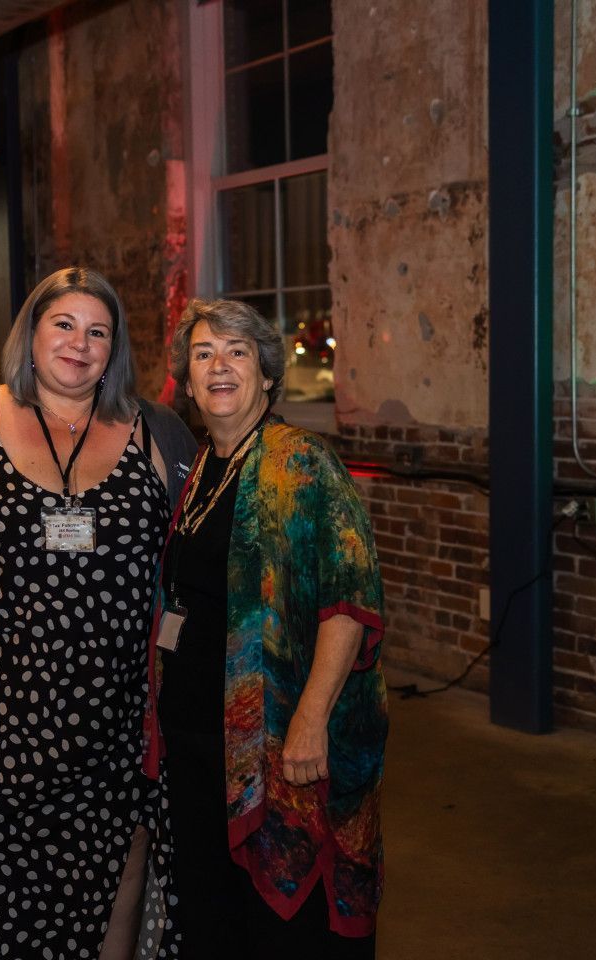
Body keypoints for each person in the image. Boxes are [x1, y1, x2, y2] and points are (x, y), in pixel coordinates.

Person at [0, 267, 197, 959]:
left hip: (119, 716)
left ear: (114, 350)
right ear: (31, 334)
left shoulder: (160, 431)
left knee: (117, 875)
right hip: (0, 717)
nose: (80, 344)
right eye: (64, 325)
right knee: (2, 894)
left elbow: (196, 554)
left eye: (98, 332)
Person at [144, 298, 387, 958]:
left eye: (237, 352)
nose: (220, 366)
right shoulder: (199, 473)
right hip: (196, 742)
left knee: (283, 924)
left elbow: (350, 599)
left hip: (275, 744)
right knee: (212, 914)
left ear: (267, 376)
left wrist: (312, 716)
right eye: (204, 355)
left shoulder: (302, 462)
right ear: (188, 382)